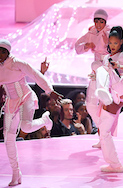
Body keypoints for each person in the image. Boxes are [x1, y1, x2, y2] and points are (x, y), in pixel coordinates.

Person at [0, 39, 63, 186]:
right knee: (8, 137)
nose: (0, 54)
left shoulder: (17, 63)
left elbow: (35, 75)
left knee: (26, 127)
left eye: (3, 51)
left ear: (8, 52)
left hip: (25, 97)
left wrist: (49, 90)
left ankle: (45, 120)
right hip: (11, 102)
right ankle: (16, 173)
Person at [93, 26, 123, 173]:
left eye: (115, 43)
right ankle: (114, 164)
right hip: (113, 94)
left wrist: (119, 65)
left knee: (100, 68)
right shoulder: (107, 57)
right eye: (110, 43)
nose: (112, 45)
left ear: (121, 42)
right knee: (104, 132)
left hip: (121, 91)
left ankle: (116, 165)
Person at [75, 9, 110, 146]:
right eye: (97, 21)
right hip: (95, 72)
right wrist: (86, 46)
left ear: (105, 22)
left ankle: (105, 137)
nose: (99, 24)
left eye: (102, 21)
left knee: (104, 105)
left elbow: (119, 49)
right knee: (90, 105)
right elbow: (77, 47)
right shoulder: (90, 33)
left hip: (107, 71)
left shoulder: (110, 33)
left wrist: (108, 44)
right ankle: (102, 132)